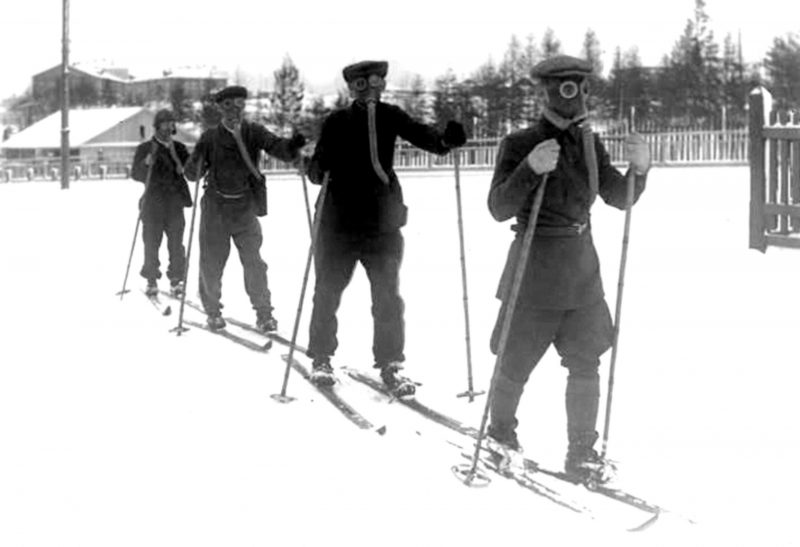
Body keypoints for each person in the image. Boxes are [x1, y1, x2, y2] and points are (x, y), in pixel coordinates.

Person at [485, 55, 651, 481]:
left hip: (581, 273)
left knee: (586, 361)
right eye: (561, 88)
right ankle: (500, 435)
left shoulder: (589, 143)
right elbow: (498, 208)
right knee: (515, 362)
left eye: (577, 87)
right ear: (543, 92)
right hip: (534, 269)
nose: (572, 96)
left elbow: (618, 196)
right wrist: (529, 168)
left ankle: (582, 453)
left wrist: (639, 170)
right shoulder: (520, 142)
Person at [305, 60, 467, 394]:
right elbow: (317, 169)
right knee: (328, 291)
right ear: (352, 89)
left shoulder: (391, 116)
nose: (370, 91)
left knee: (387, 297)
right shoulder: (336, 121)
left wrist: (445, 141)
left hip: (381, 225)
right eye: (362, 85)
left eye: (376, 83)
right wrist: (317, 166)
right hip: (339, 225)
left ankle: (391, 363)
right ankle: (321, 356)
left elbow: (424, 135)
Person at [184, 85, 306, 331]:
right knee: (212, 263)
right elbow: (191, 175)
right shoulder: (209, 137)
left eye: (239, 104)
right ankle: (213, 312)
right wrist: (196, 161)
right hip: (215, 209)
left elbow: (276, 147)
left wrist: (292, 146)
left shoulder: (254, 132)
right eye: (228, 105)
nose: (234, 110)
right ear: (220, 108)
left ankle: (264, 313)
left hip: (244, 208)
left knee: (254, 263)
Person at [131, 108, 192, 298]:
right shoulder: (145, 149)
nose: (168, 128)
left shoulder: (180, 149)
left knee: (176, 244)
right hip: (152, 204)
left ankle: (176, 280)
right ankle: (151, 280)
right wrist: (145, 164)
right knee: (151, 243)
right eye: (164, 124)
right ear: (157, 126)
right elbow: (135, 174)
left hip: (174, 205)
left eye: (171, 124)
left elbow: (192, 172)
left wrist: (190, 168)